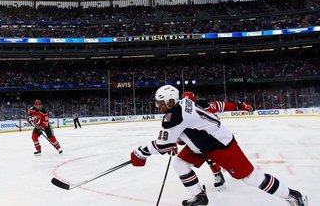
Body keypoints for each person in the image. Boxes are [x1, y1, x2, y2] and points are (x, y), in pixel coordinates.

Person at [130, 85, 307, 206]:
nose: (158, 106)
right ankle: (198, 196)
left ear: (170, 101)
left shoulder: (175, 115)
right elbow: (186, 129)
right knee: (180, 163)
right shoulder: (184, 102)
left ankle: (292, 195)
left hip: (220, 145)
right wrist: (175, 141)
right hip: (202, 143)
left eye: (161, 103)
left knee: (250, 177)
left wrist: (141, 152)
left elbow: (162, 145)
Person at [180, 91, 255, 189]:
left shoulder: (203, 106)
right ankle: (216, 175)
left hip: (215, 137)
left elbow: (223, 106)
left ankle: (219, 173)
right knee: (185, 160)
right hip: (197, 140)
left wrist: (242, 106)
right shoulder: (180, 113)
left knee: (213, 155)